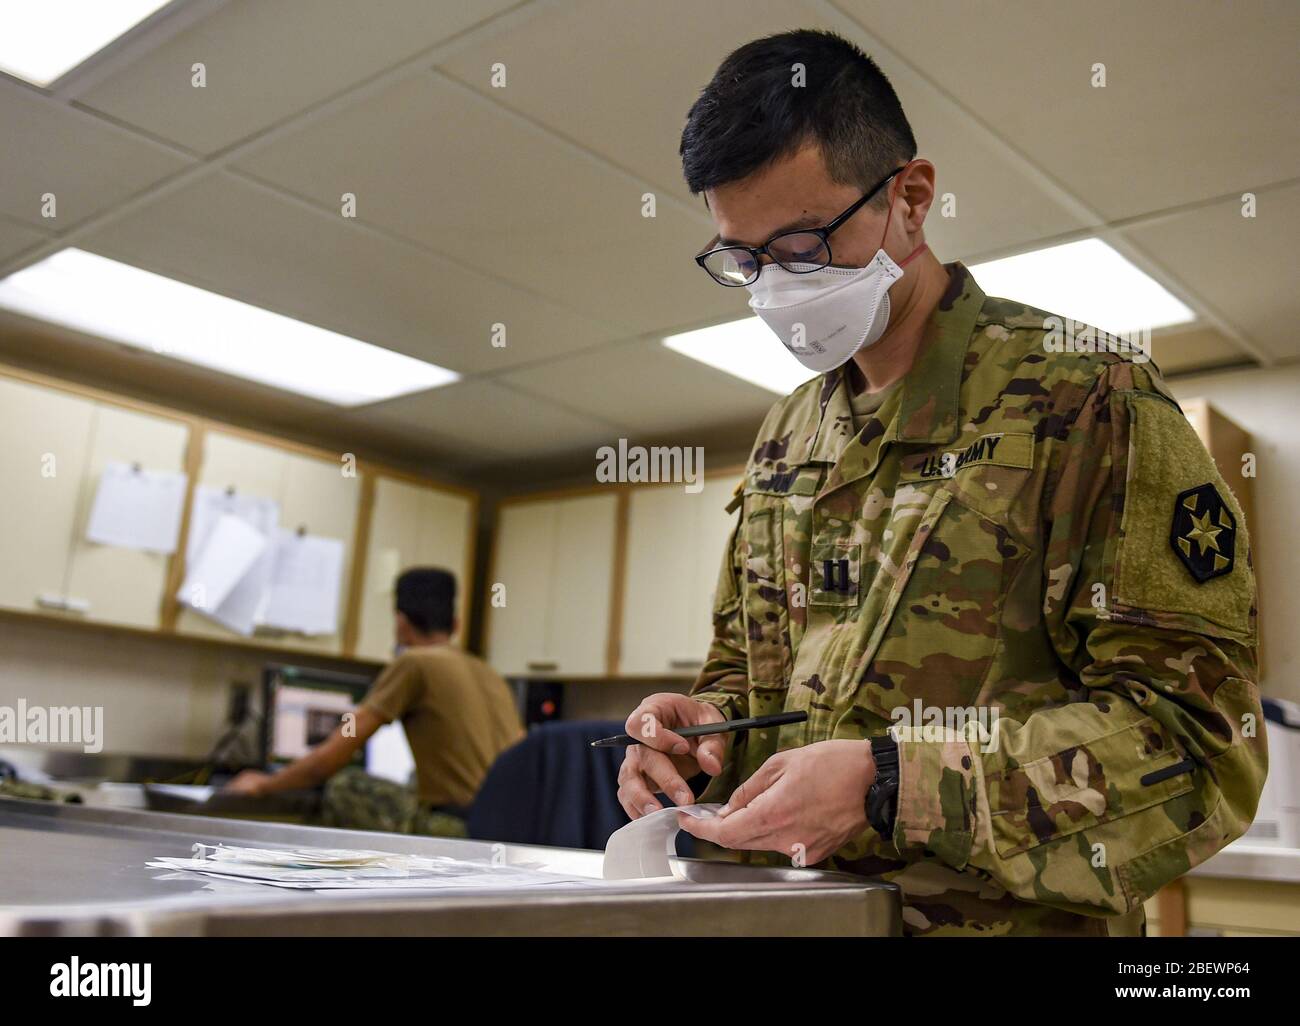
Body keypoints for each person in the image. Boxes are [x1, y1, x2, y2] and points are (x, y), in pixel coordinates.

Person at [617, 29, 1265, 936]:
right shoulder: (788, 431)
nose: (774, 290)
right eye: (744, 261)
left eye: (802, 247)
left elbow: (1199, 751)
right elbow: (746, 669)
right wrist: (703, 728)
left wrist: (893, 783)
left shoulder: (1086, 396)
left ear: (910, 199)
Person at [226, 568, 523, 834]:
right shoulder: (490, 673)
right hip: (504, 827)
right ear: (456, 625)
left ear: (401, 623)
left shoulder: (414, 662)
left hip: (454, 828)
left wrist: (262, 785)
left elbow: (330, 759)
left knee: (346, 786)